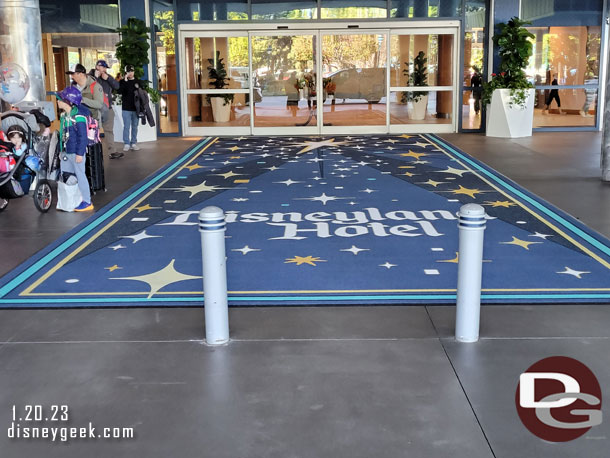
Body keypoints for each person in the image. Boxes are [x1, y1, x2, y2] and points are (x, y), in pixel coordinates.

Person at [55, 86, 94, 212]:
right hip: (67, 151)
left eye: (59, 99)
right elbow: (62, 135)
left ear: (67, 101)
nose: (57, 101)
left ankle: (87, 201)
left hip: (76, 152)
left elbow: (83, 137)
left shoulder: (78, 116)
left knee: (80, 176)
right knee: (67, 176)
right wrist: (62, 151)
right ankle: (70, 200)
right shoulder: (64, 116)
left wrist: (80, 153)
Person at [91, 60, 122, 159]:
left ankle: (112, 151)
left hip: (107, 108)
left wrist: (108, 79)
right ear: (97, 66)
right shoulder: (90, 77)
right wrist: (95, 77)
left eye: (105, 68)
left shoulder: (107, 77)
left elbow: (117, 86)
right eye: (102, 67)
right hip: (95, 109)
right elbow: (88, 88)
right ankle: (93, 153)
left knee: (109, 130)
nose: (104, 70)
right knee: (93, 130)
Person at [118, 65, 142, 152]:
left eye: (131, 71)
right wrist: (125, 80)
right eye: (128, 71)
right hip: (126, 108)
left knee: (135, 126)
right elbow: (120, 91)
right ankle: (126, 143)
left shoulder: (138, 82)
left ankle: (134, 142)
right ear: (125, 72)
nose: (130, 73)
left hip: (136, 108)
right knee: (126, 126)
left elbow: (142, 93)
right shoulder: (122, 82)